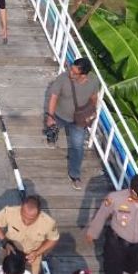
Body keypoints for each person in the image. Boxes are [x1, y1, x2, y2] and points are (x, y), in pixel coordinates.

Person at [45, 58, 99, 189]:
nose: (71, 73)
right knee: (52, 130)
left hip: (78, 121)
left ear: (84, 75)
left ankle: (75, 174)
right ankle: (52, 135)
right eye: (71, 69)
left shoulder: (93, 81)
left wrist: (89, 113)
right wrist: (50, 116)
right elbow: (53, 97)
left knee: (78, 147)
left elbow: (93, 98)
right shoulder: (62, 79)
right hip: (60, 115)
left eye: (74, 73)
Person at [0, 194, 60, 274]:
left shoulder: (48, 223)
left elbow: (53, 239)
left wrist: (37, 252)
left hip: (32, 256)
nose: (26, 221)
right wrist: (5, 242)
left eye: (31, 219)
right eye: (23, 216)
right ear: (21, 207)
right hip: (9, 250)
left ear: (39, 213)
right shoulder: (10, 212)